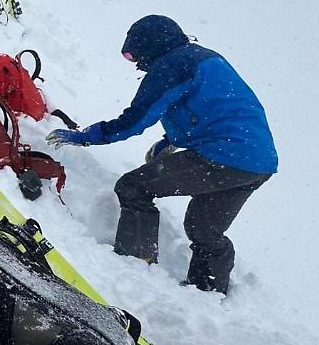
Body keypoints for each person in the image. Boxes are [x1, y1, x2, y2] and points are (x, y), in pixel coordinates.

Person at [46, 15, 277, 294]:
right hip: (257, 164)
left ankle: (135, 262)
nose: (137, 63)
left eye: (133, 55)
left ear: (150, 45)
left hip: (223, 156)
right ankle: (209, 294)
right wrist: (171, 140)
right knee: (204, 230)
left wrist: (88, 137)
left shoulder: (172, 65)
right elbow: (215, 110)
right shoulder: (200, 58)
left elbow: (137, 118)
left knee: (133, 187)